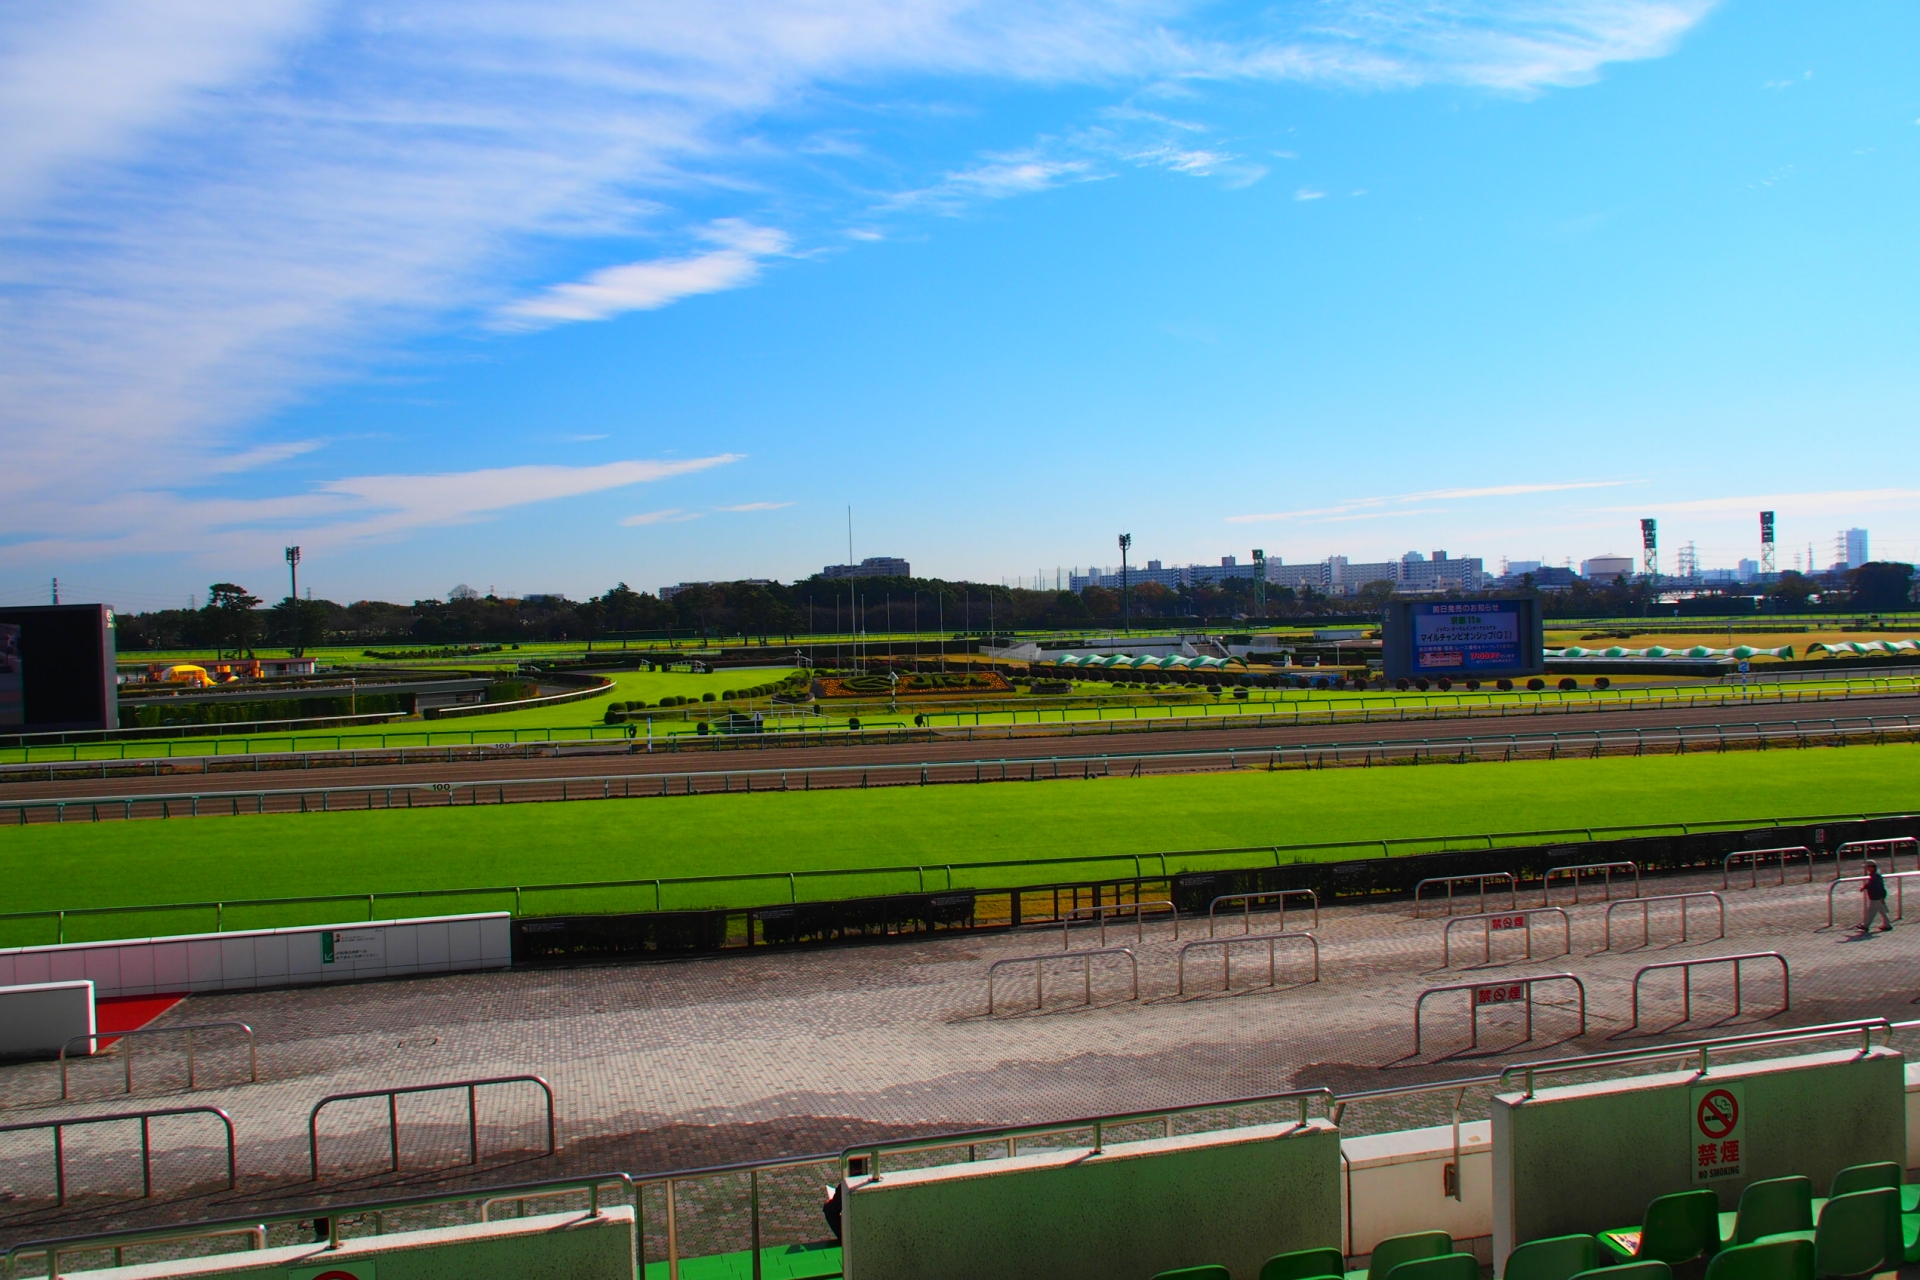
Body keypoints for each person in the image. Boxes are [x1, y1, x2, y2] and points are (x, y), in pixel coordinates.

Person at [1859, 860, 1893, 933]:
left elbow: (1879, 887)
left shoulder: (1875, 876)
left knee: (1871, 911)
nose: (1866, 869)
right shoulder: (1875, 874)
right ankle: (1887, 925)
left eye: (1867, 867)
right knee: (1882, 910)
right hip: (1877, 896)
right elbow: (1872, 884)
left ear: (1872, 867)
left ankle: (1866, 925)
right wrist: (1865, 887)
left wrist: (1881, 896)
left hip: (1875, 896)